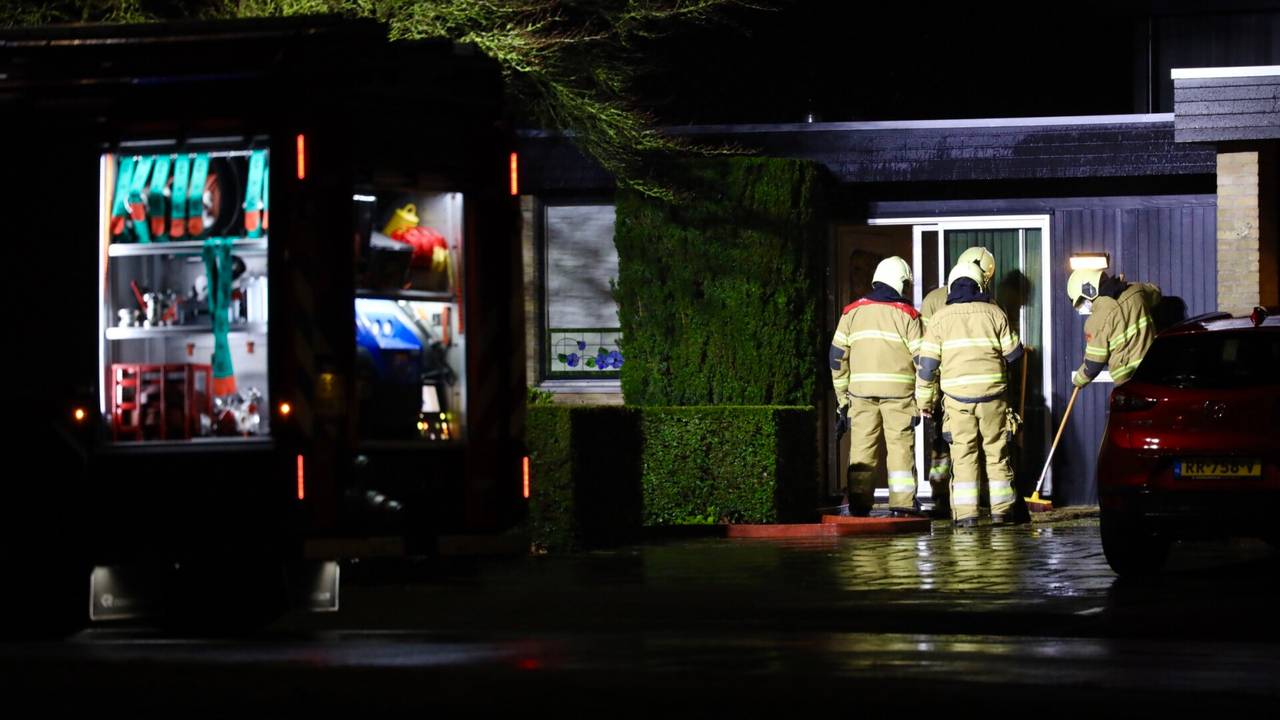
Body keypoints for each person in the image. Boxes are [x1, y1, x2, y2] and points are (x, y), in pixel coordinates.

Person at [917, 261, 1023, 528]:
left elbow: (927, 366)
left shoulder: (940, 318)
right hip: (993, 398)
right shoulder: (995, 312)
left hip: (957, 400)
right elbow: (1014, 354)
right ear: (980, 285)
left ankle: (967, 516)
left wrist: (925, 401)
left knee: (963, 455)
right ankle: (1001, 512)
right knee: (996, 453)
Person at [830, 256, 924, 517]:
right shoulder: (908, 316)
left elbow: (836, 358)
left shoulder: (851, 313)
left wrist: (843, 400)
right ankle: (903, 505)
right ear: (900, 282)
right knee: (900, 450)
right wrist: (924, 399)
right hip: (900, 397)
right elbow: (923, 362)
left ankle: (859, 505)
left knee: (862, 450)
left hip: (860, 395)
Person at [919, 247, 997, 518]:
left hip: (946, 385)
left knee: (944, 443)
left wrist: (926, 394)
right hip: (979, 388)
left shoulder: (932, 300)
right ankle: (982, 498)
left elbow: (925, 351)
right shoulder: (988, 304)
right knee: (982, 444)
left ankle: (943, 496)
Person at [1066, 269, 1161, 387]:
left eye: (1082, 301)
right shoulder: (1136, 290)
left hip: (1129, 379)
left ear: (1089, 291)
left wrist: (1077, 382)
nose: (1085, 305)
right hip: (1156, 365)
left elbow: (1093, 364)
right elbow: (1156, 293)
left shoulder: (1096, 321)